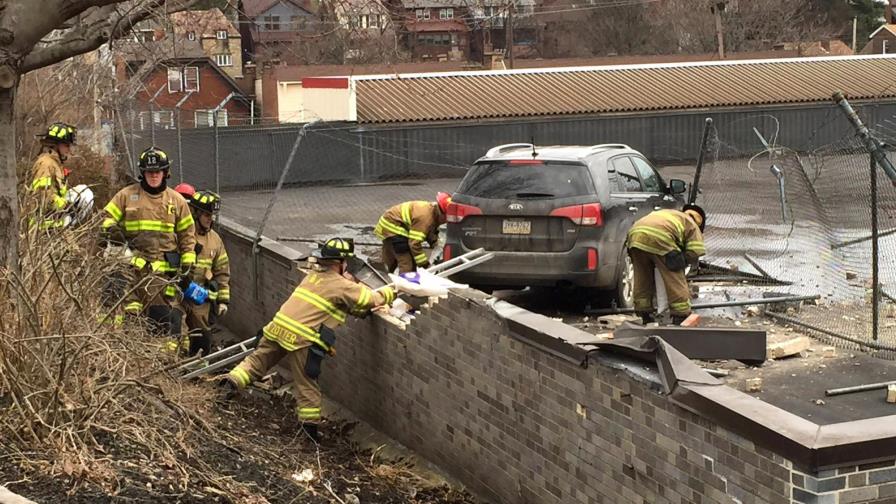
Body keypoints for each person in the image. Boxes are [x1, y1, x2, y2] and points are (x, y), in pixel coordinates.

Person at [224, 237, 396, 442]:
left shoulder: (313, 277)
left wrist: (360, 309)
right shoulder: (340, 284)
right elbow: (372, 299)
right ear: (340, 263)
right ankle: (309, 434)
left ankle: (228, 386)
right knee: (307, 386)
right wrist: (396, 289)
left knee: (255, 363)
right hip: (301, 339)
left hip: (277, 328)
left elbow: (340, 305)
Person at [101, 146, 197, 338]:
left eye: (157, 172)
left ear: (165, 173)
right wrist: (112, 230)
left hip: (161, 277)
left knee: (161, 322)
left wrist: (188, 265)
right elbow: (105, 218)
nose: (153, 176)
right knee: (131, 319)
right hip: (131, 271)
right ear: (142, 173)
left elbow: (188, 235)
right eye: (149, 172)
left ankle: (160, 361)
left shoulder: (176, 201)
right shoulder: (126, 196)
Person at [626, 205, 706, 325]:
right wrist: (682, 260)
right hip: (660, 239)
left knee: (642, 278)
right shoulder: (692, 224)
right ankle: (681, 314)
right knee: (674, 278)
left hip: (635, 236)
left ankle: (644, 313)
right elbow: (696, 251)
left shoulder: (671, 214)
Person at [179, 189, 230, 356]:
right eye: (206, 214)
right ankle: (174, 369)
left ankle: (198, 372)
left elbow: (222, 271)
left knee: (201, 337)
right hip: (177, 291)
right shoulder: (182, 233)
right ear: (195, 213)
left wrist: (223, 300)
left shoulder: (215, 240)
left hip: (200, 297)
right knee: (177, 331)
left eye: (212, 215)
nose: (210, 219)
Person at [374, 193, 450, 273]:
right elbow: (414, 244)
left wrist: (435, 243)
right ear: (443, 214)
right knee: (407, 264)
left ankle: (383, 275)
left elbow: (429, 231)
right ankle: (404, 283)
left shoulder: (431, 211)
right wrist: (425, 265)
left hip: (389, 224)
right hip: (393, 229)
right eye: (447, 218)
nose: (446, 221)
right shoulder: (425, 219)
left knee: (391, 258)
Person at [29, 122, 76, 229]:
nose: (69, 149)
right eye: (66, 145)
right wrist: (66, 206)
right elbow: (44, 195)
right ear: (55, 145)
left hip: (56, 223)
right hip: (44, 228)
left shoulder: (55, 163)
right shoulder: (46, 164)